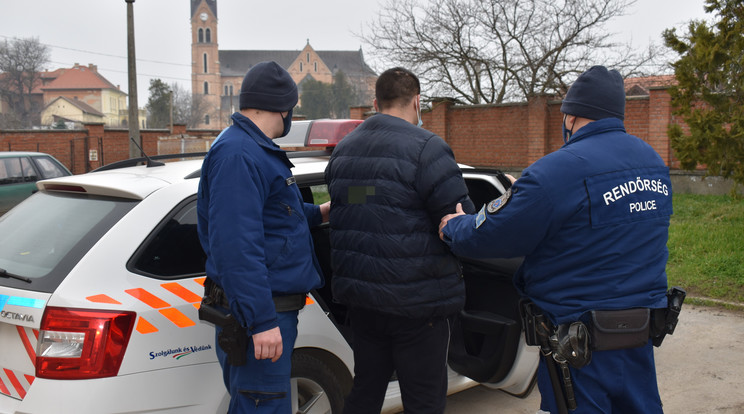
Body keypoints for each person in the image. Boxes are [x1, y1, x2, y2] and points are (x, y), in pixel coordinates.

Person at [439, 65, 673, 413]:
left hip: (580, 348)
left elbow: (490, 234)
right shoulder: (653, 162)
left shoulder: (558, 170)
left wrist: (453, 226)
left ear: (572, 114)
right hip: (639, 335)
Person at [325, 67, 475, 414]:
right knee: (423, 401)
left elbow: (366, 196)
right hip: (417, 307)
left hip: (362, 303)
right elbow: (462, 221)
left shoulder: (344, 151)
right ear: (418, 101)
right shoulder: (427, 149)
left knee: (364, 392)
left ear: (375, 103)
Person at [197, 61, 328, 413]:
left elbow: (270, 217)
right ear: (285, 108)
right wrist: (262, 322)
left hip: (266, 311)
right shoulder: (240, 154)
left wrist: (319, 212)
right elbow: (237, 247)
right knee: (262, 406)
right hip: (261, 313)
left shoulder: (250, 148)